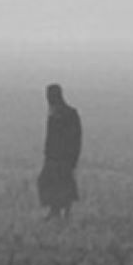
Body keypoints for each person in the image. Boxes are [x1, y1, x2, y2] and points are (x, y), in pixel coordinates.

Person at [37, 83, 82, 220]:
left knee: (64, 184)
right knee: (49, 182)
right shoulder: (53, 113)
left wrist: (73, 158)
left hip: (65, 156)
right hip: (53, 156)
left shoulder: (70, 114)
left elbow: (76, 137)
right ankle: (54, 211)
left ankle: (65, 214)